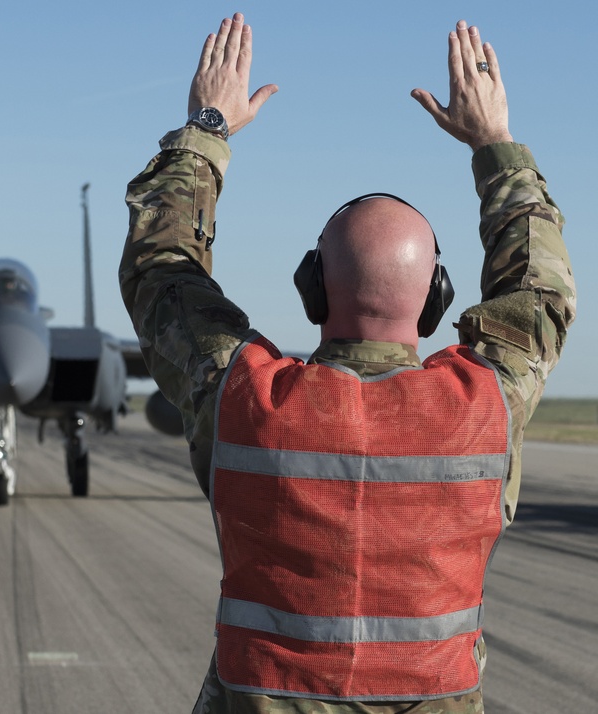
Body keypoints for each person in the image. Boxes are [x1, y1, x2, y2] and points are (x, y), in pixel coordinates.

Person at [119, 13, 575, 714]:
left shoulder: (241, 394)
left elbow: (160, 268)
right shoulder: (484, 403)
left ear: (310, 286)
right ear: (435, 301)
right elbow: (538, 289)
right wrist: (494, 144)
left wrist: (207, 127)